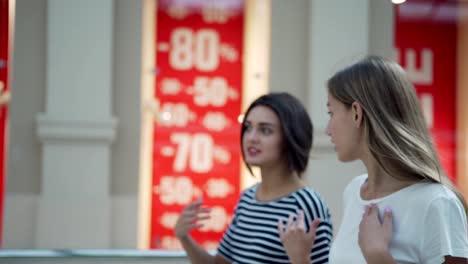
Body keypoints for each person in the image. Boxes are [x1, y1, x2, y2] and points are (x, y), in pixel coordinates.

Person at [279, 55, 468, 264]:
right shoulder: (354, 191)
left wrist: (379, 257)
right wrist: (301, 260)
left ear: (356, 113)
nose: (328, 129)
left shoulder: (437, 203)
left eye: (331, 112)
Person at [174, 92, 333, 264]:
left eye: (265, 130)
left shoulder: (307, 204)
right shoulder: (248, 198)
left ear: (290, 137)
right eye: (248, 127)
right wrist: (184, 237)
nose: (251, 138)